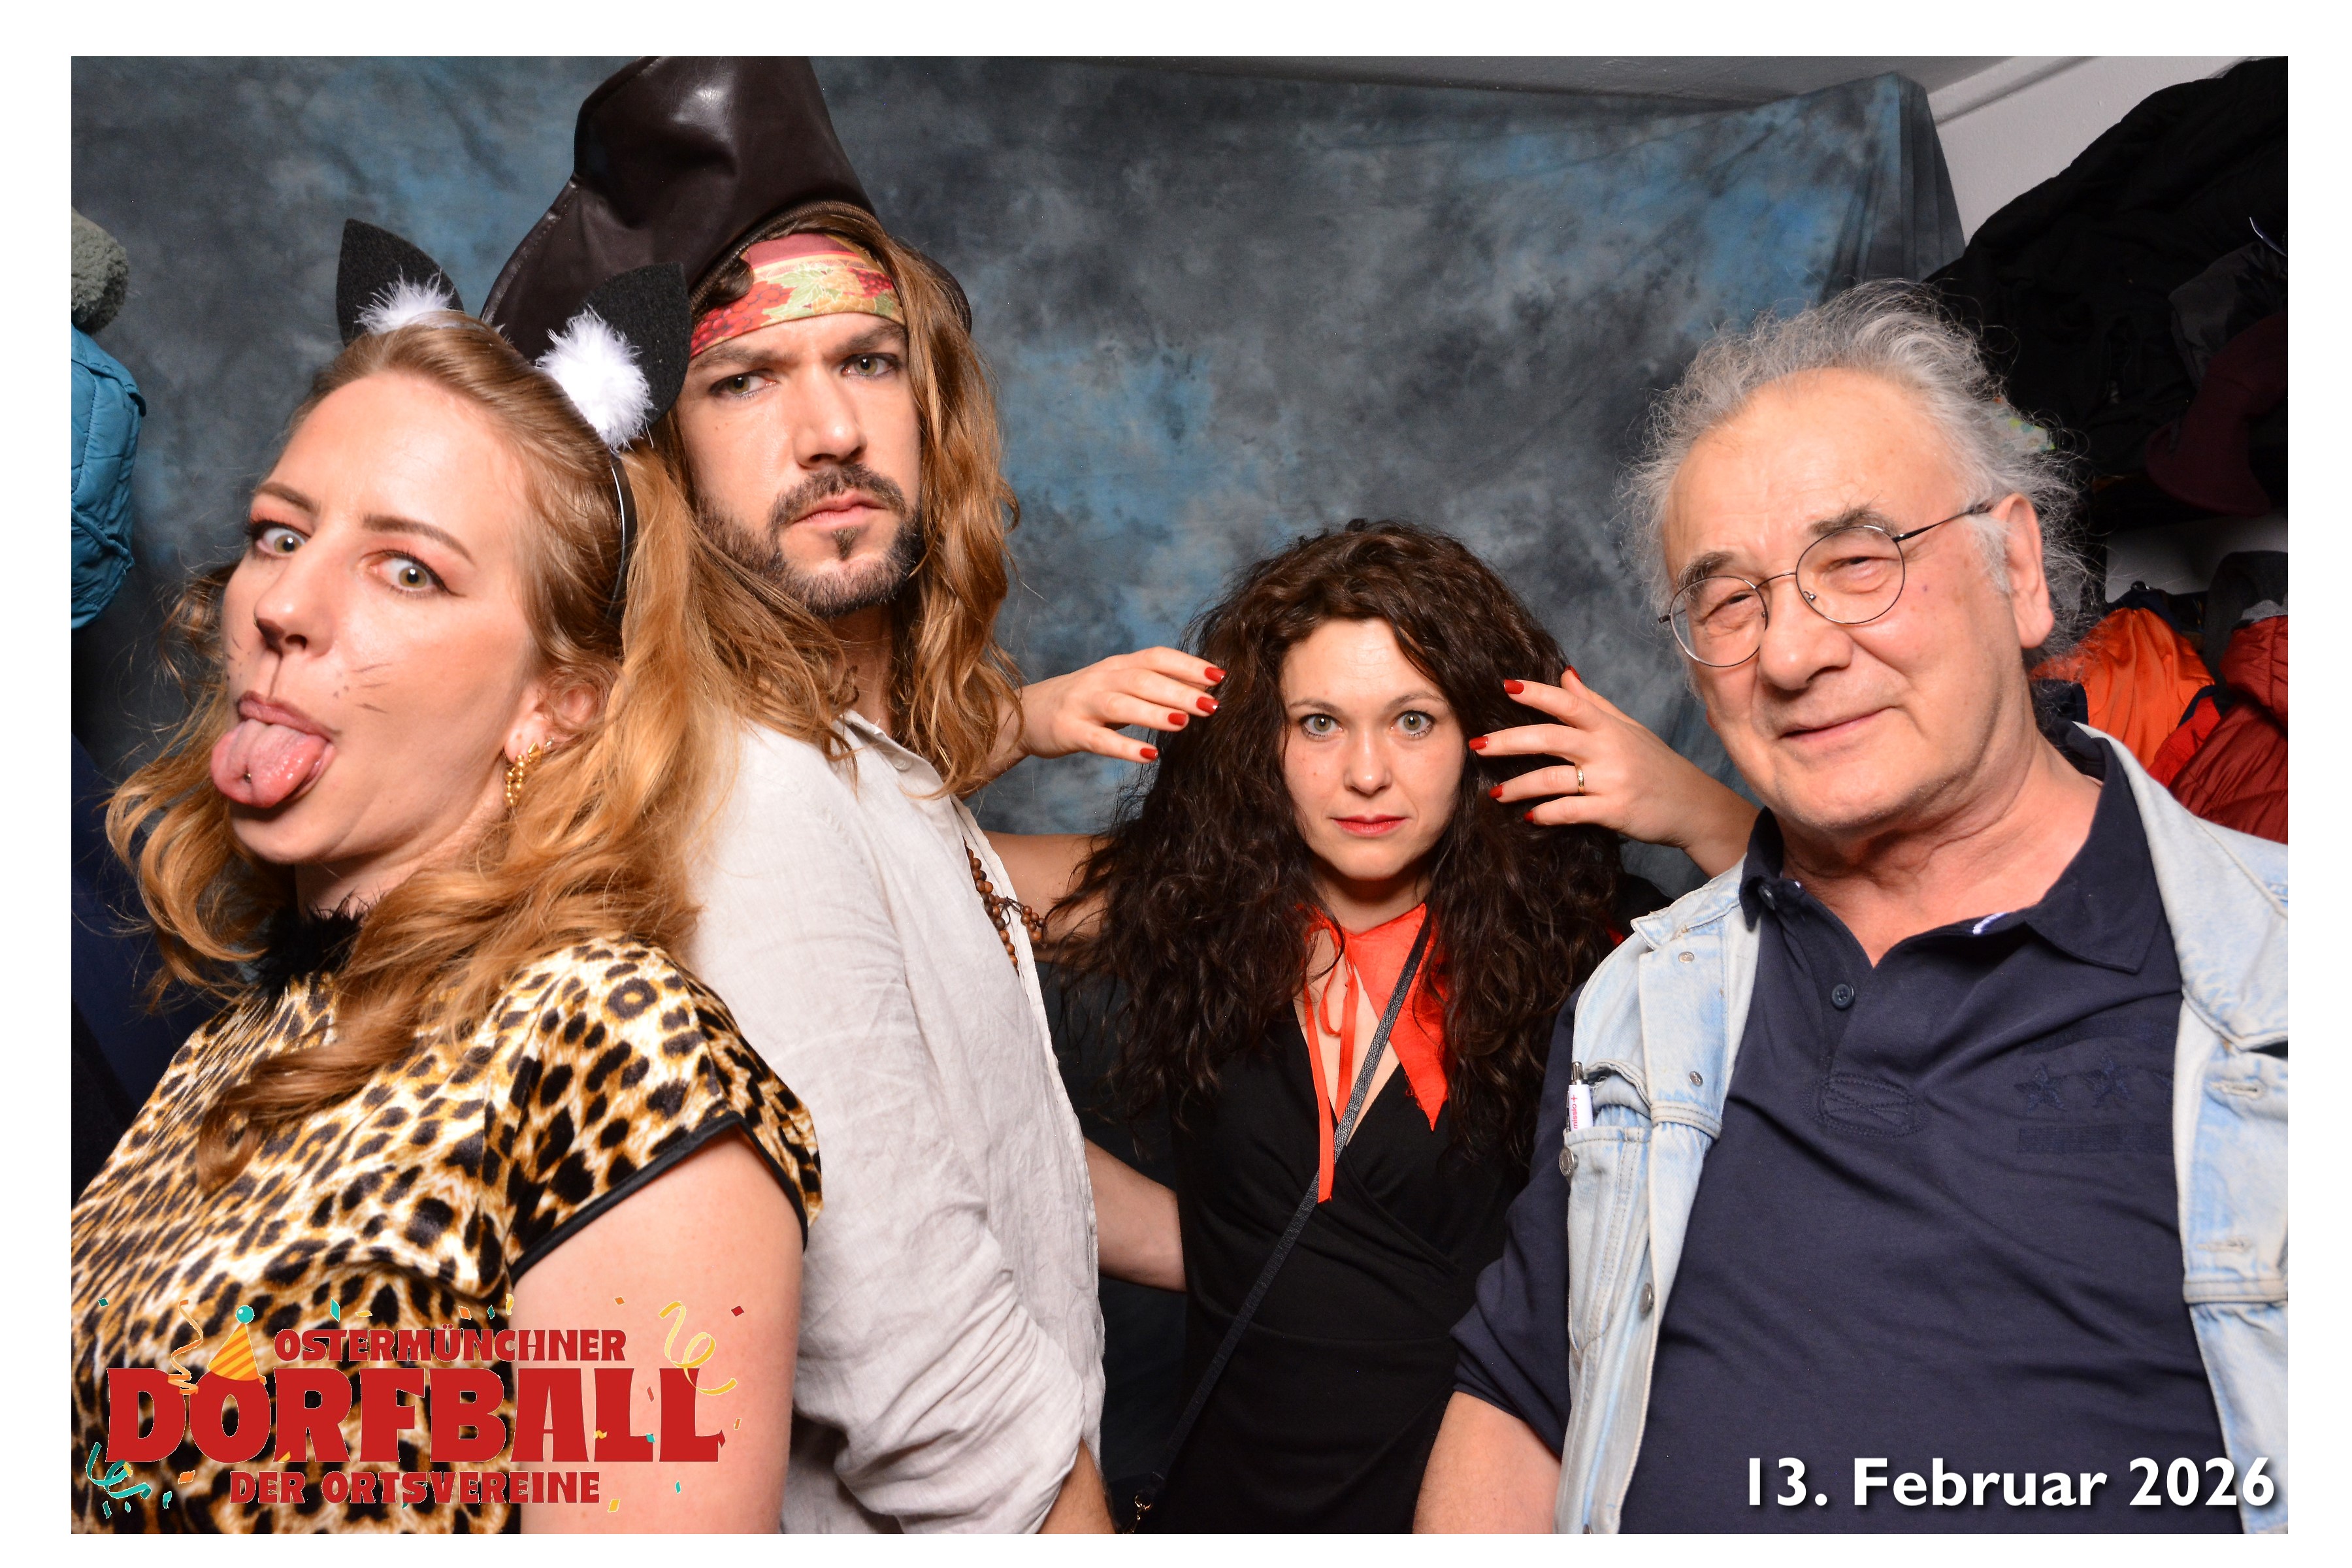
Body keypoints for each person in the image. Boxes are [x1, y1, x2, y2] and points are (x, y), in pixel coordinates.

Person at [1416, 282, 2286, 1535]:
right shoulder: (1638, 1006)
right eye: (1729, 601)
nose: (1790, 653)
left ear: (2018, 569)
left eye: (1858, 563)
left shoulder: (2286, 978)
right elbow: (1520, 1396)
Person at [482, 57, 1220, 1532]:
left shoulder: (859, 764)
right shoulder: (752, 792)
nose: (830, 430)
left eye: (868, 362)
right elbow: (933, 1397)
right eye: (744, 378)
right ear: (660, 453)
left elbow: (962, 1145)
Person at [71, 227, 821, 1532]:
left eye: (408, 570)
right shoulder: (247, 1036)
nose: (284, 604)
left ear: (557, 704)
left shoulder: (612, 1048)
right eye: (279, 533)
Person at [987, 520, 1757, 1530]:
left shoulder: (1583, 941)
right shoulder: (1192, 909)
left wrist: (1699, 810)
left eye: (1412, 721)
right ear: (1262, 740)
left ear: (1477, 734)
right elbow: (863, 853)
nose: (1365, 774)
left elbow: (1855, 954)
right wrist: (1015, 721)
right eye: (1319, 723)